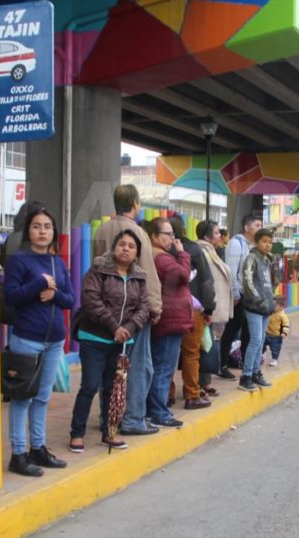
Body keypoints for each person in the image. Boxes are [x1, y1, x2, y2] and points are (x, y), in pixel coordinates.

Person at [2, 205, 74, 477]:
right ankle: (18, 454)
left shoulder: (59, 263)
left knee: (43, 397)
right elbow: (10, 297)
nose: (42, 231)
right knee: (22, 398)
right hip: (26, 340)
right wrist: (38, 285)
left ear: (53, 231)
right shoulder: (19, 260)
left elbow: (70, 300)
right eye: (36, 226)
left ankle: (38, 448)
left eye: (47, 227)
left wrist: (54, 294)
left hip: (55, 340)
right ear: (28, 231)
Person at [92, 185, 162, 436]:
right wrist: (155, 307)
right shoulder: (138, 233)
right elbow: (147, 275)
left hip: (106, 312)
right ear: (135, 204)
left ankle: (108, 416)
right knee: (139, 367)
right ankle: (133, 418)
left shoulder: (101, 230)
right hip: (133, 311)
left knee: (110, 367)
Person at [71, 230, 150, 452]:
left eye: (131, 246)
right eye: (122, 244)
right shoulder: (98, 270)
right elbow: (91, 300)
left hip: (121, 342)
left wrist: (129, 328)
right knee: (89, 385)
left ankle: (109, 432)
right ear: (113, 248)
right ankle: (77, 434)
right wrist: (114, 327)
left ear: (136, 254)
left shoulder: (139, 276)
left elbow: (144, 307)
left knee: (112, 388)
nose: (126, 249)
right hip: (94, 338)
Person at [146, 218, 193, 427]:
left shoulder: (159, 256)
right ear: (155, 237)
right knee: (163, 368)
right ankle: (159, 412)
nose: (173, 239)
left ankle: (154, 409)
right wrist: (182, 253)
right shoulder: (162, 258)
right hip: (169, 319)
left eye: (173, 234)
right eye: (168, 234)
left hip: (169, 318)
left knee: (160, 366)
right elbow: (183, 274)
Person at [169, 216, 214, 410]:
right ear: (184, 230)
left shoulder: (161, 251)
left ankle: (167, 394)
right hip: (192, 308)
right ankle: (191, 395)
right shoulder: (193, 249)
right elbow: (206, 281)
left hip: (168, 307)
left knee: (168, 354)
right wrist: (209, 308)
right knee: (191, 353)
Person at [220, 214, 262, 378]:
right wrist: (236, 294)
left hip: (249, 296)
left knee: (248, 332)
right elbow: (231, 271)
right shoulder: (236, 244)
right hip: (239, 295)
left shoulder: (251, 246)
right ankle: (222, 365)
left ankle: (246, 364)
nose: (259, 228)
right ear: (247, 227)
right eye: (257, 225)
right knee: (232, 329)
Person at [195, 220, 232, 397]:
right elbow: (205, 281)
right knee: (204, 346)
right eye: (217, 233)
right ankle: (198, 384)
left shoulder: (211, 251)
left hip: (212, 306)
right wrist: (207, 307)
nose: (220, 236)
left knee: (208, 345)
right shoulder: (202, 251)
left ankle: (205, 382)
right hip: (205, 307)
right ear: (207, 236)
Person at [238, 228, 276, 391]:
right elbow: (248, 282)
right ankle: (245, 376)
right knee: (255, 340)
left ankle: (255, 372)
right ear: (256, 242)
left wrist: (271, 301)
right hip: (254, 307)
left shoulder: (267, 260)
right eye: (264, 241)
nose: (268, 245)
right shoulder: (251, 258)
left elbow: (269, 284)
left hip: (266, 307)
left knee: (260, 341)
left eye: (270, 242)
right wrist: (259, 300)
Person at [263, 297, 290, 367]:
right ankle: (262, 355)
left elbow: (286, 325)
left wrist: (284, 333)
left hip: (276, 336)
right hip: (266, 333)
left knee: (275, 349)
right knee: (262, 345)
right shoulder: (270, 312)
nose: (272, 306)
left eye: (275, 305)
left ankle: (274, 359)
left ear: (281, 307)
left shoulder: (282, 316)